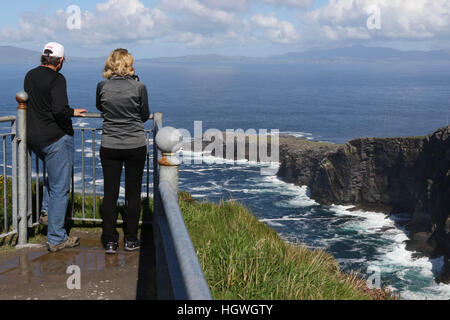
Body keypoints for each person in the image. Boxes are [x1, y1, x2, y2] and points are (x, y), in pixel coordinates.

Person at [24, 42, 87, 252]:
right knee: (61, 187)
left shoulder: (30, 75)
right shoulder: (58, 79)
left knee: (52, 178)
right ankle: (56, 238)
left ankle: (45, 214)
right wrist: (73, 112)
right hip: (55, 138)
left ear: (44, 57)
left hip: (34, 138)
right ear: (60, 61)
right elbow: (59, 110)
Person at [96, 48, 150, 254]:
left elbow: (100, 107)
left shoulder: (102, 86)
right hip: (135, 145)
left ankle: (109, 240)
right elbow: (144, 115)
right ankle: (130, 239)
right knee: (133, 194)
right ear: (129, 64)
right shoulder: (139, 87)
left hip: (109, 144)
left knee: (110, 193)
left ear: (110, 64)